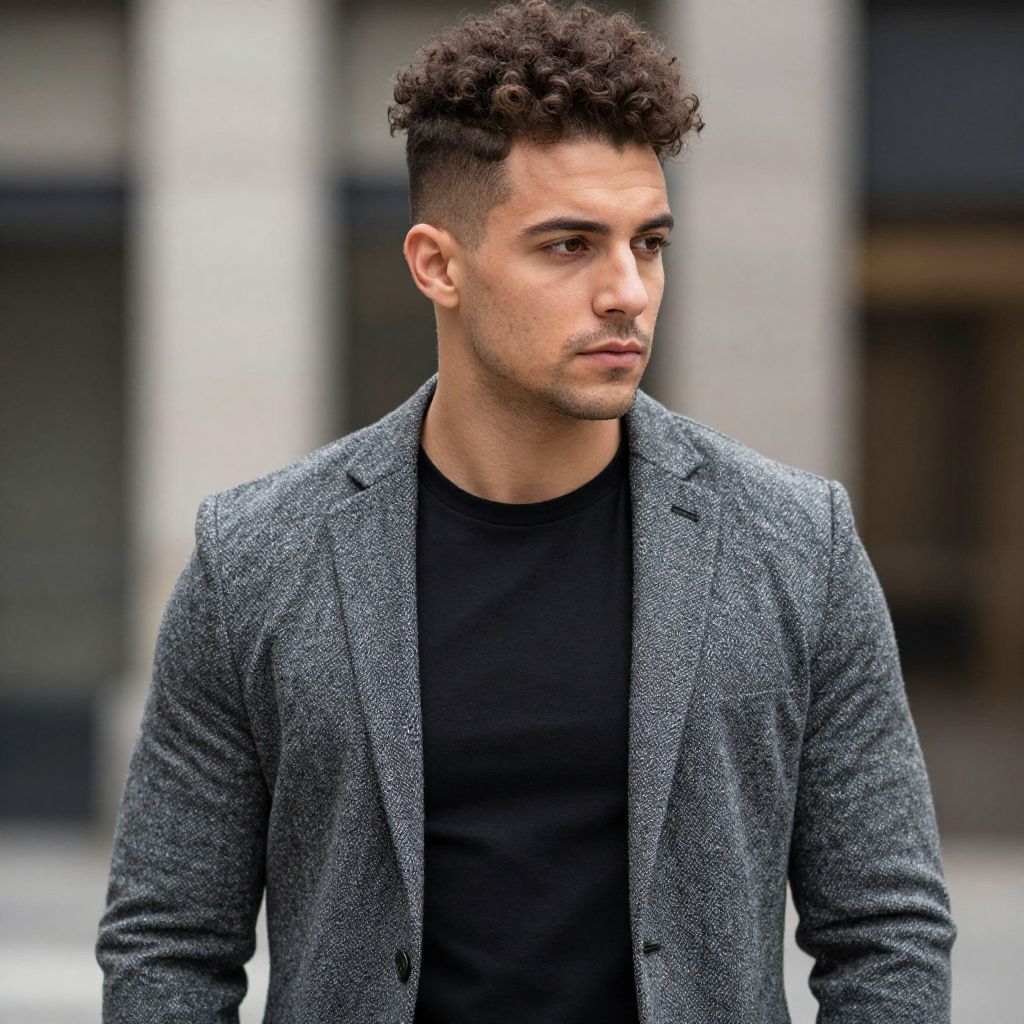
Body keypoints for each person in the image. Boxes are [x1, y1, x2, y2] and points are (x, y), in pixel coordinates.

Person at [95, 1, 956, 1021]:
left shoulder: (794, 544)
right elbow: (168, 941)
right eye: (568, 246)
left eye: (649, 241)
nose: (627, 290)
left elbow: (887, 928)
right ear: (437, 265)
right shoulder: (256, 559)